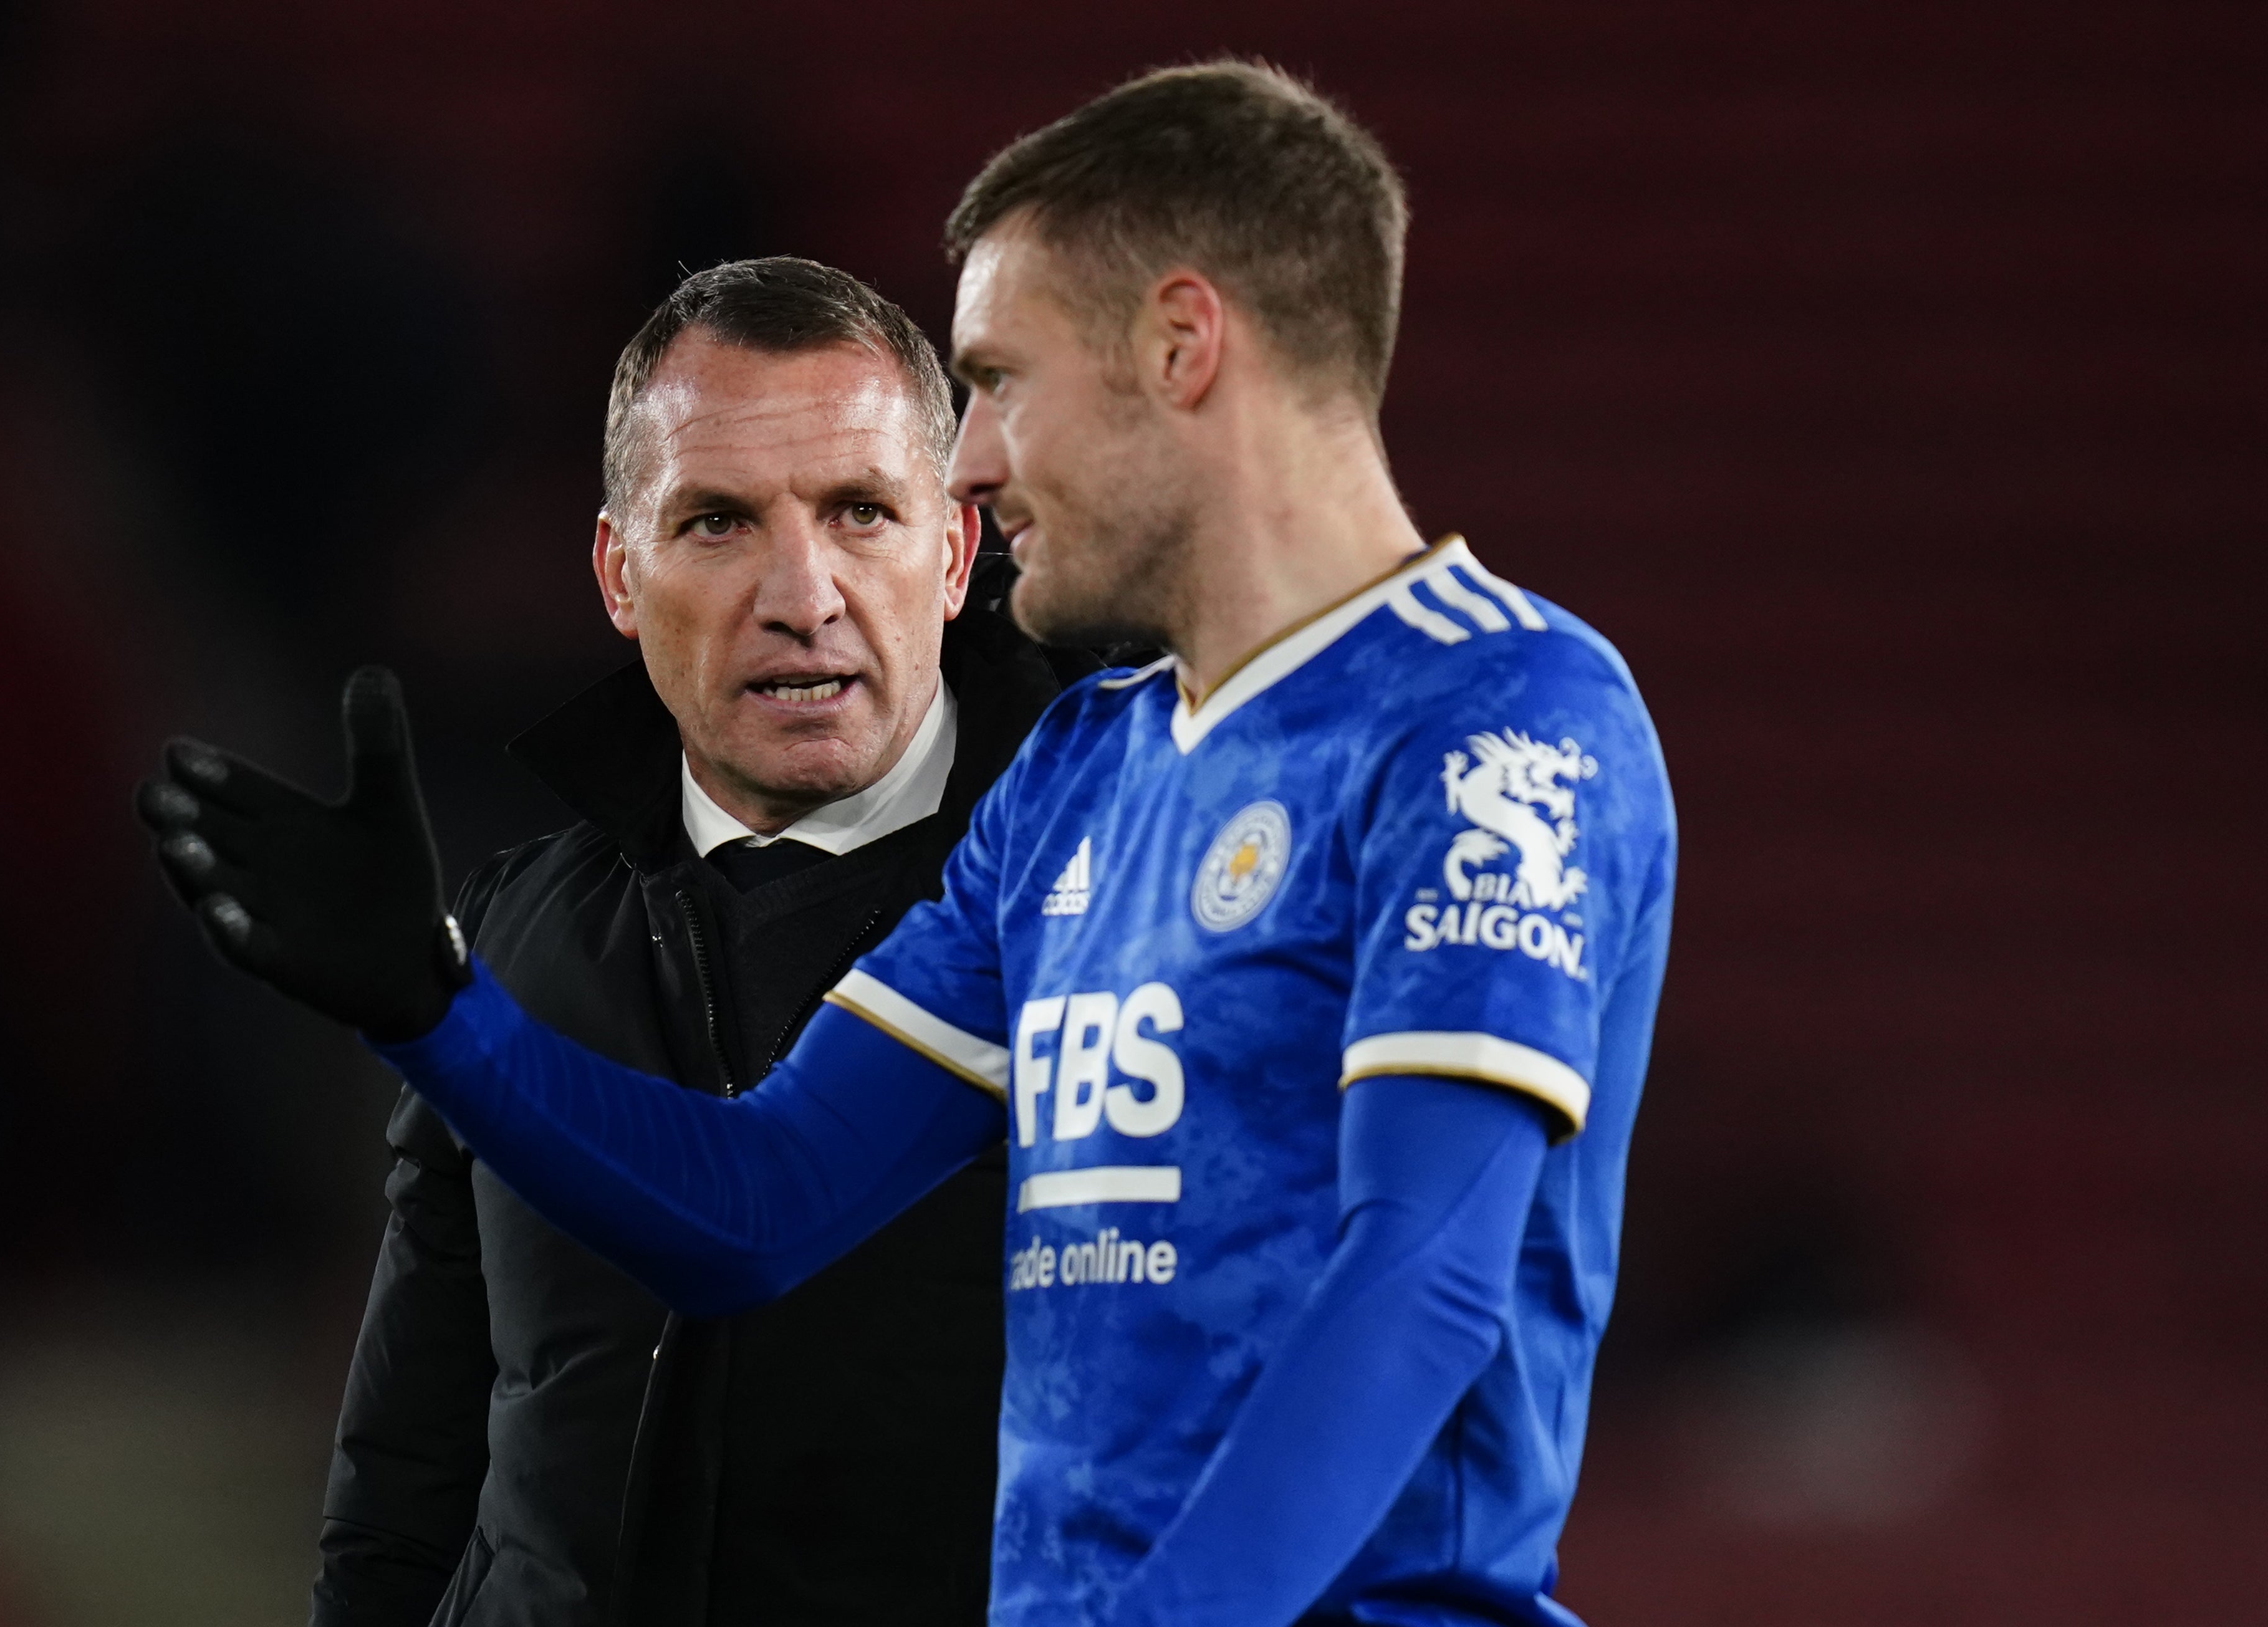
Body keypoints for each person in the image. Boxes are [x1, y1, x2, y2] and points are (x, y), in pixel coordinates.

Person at [141, 63, 1677, 1627]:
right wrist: (436, 1012)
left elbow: (1419, 1278)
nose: (975, 459)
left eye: (1003, 377)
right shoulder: (1085, 771)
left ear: (1183, 349)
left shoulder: (1496, 713)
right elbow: (761, 1203)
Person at [161, 258, 1080, 1626]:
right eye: (716, 524)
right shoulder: (509, 937)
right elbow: (409, 1474)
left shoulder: (1106, 909)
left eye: (861, 515)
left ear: (953, 556)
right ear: (617, 574)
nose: (802, 592)